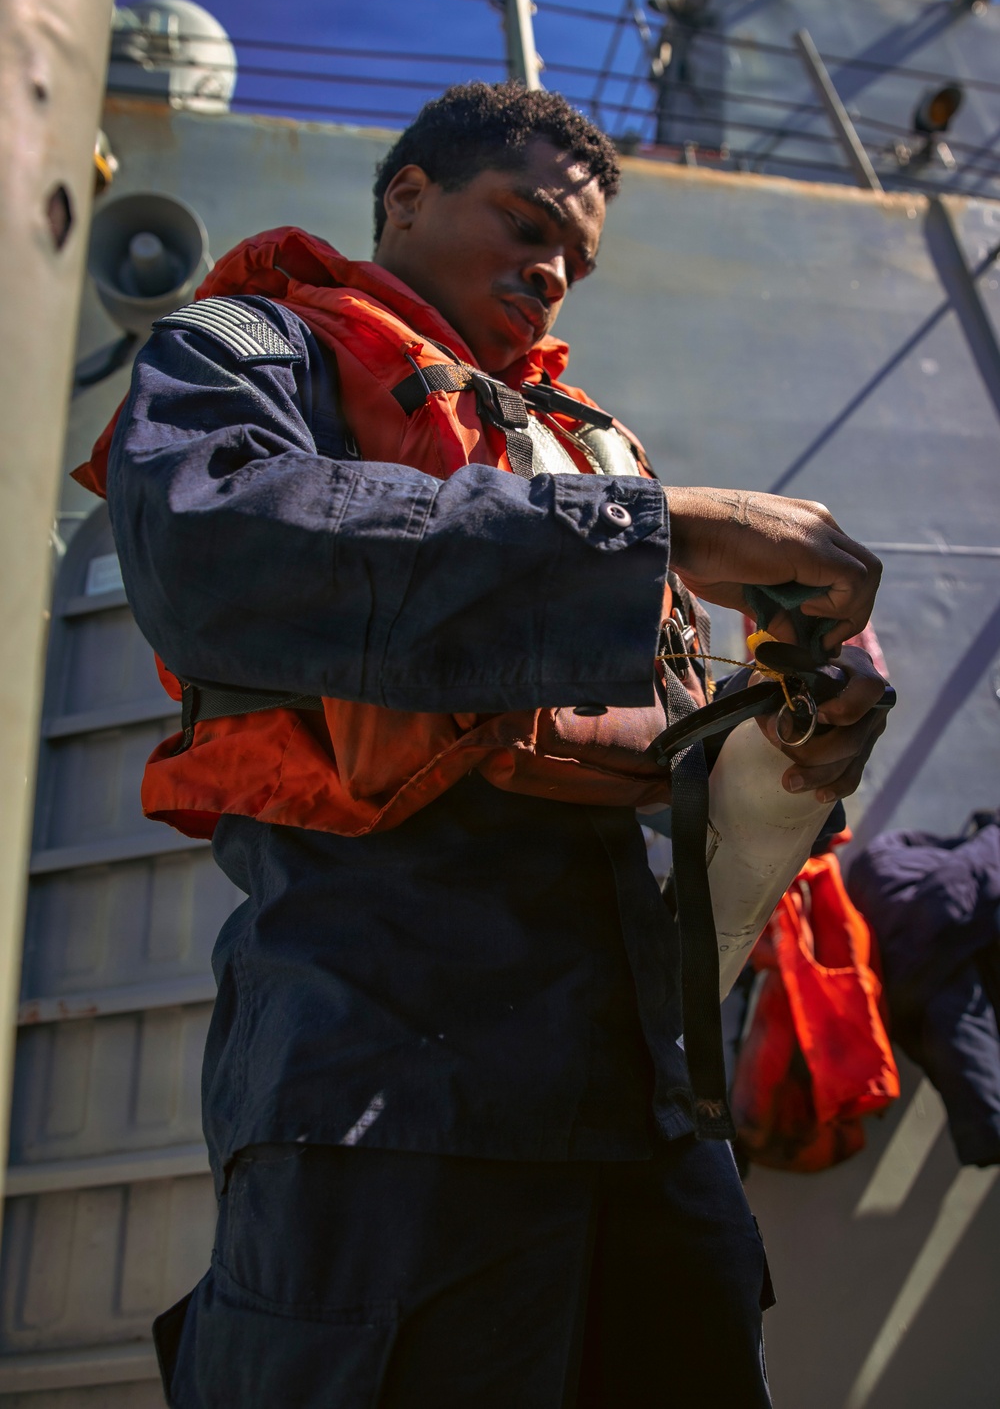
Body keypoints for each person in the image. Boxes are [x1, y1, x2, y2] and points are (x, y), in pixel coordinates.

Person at [78, 82, 887, 1408]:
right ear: (406, 200)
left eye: (576, 258)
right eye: (523, 224)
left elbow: (678, 788)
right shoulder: (247, 343)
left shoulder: (583, 451)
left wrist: (798, 737)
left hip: (648, 1122)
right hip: (386, 1087)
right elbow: (213, 551)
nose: (554, 273)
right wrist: (662, 532)